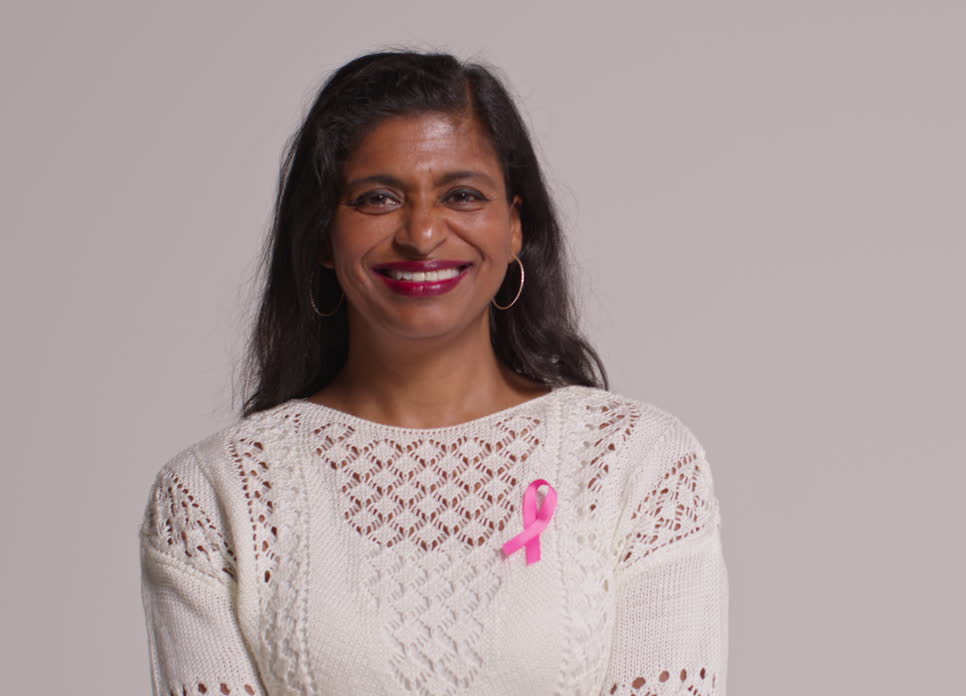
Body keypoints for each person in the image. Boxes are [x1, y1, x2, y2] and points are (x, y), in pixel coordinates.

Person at [137, 50, 729, 696]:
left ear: (513, 227)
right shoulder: (215, 495)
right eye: (378, 198)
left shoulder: (636, 465)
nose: (421, 233)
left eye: (462, 195)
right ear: (323, 239)